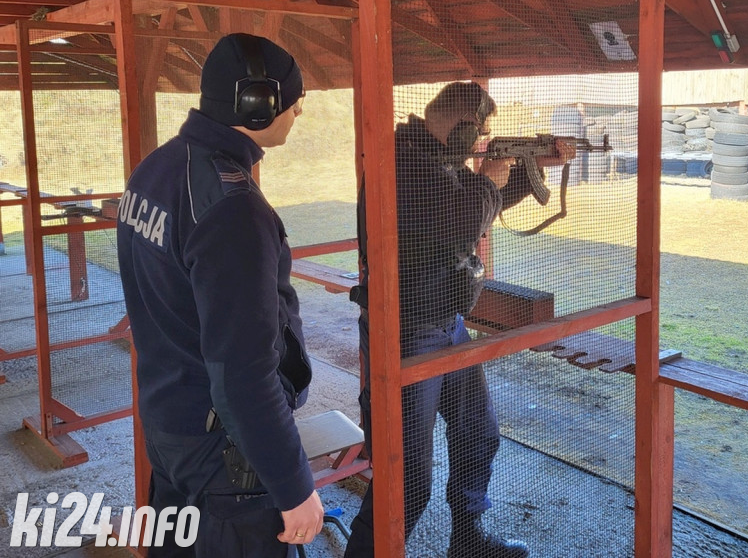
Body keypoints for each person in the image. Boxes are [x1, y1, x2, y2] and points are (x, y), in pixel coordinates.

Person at [116, 33, 323, 557]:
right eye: (293, 98)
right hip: (225, 457)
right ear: (258, 104)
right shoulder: (233, 210)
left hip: (170, 426)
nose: (299, 110)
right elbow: (243, 372)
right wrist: (293, 484)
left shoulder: (155, 169)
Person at [345, 82, 569, 558]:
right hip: (403, 329)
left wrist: (529, 173)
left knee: (477, 431)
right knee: (405, 478)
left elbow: (473, 207)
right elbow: (462, 219)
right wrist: (489, 177)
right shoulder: (401, 164)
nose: (484, 139)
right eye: (481, 131)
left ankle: (468, 540)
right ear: (461, 127)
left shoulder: (437, 157)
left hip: (445, 322)